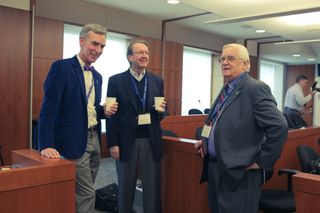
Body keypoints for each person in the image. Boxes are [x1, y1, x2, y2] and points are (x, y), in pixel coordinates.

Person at [194, 43, 288, 213]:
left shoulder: (255, 88)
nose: (224, 62)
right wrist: (206, 141)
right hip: (217, 168)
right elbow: (219, 121)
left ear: (245, 64)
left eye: (231, 58)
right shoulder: (227, 88)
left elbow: (279, 126)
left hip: (240, 172)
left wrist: (262, 161)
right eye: (222, 59)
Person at [38, 23, 117, 213]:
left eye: (102, 46)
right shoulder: (61, 68)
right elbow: (49, 109)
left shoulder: (98, 76)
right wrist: (45, 144)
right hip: (73, 140)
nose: (98, 50)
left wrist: (103, 111)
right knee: (88, 193)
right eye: (94, 44)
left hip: (94, 138)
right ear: (81, 41)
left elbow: (88, 110)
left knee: (82, 187)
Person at [106, 39, 166, 213]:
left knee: (152, 189)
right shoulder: (116, 81)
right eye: (140, 52)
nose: (145, 56)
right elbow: (111, 115)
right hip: (126, 142)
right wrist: (112, 143)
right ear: (130, 57)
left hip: (150, 139)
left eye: (147, 53)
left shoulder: (156, 81)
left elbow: (162, 111)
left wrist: (161, 110)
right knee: (126, 186)